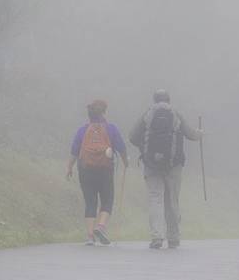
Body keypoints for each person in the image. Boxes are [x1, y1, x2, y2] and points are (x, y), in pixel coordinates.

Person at [129, 89, 202, 249]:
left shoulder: (147, 114)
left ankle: (157, 237)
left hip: (151, 164)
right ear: (169, 100)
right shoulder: (176, 114)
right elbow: (191, 135)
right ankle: (173, 238)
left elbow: (132, 136)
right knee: (172, 201)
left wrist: (145, 150)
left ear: (154, 100)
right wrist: (200, 133)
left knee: (155, 199)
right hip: (173, 165)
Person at [66, 99, 129, 246]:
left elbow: (74, 151)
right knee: (107, 199)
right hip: (105, 169)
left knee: (90, 201)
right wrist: (126, 162)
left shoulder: (82, 130)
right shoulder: (111, 128)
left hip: (85, 168)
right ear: (104, 112)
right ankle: (100, 227)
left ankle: (89, 236)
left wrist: (69, 167)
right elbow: (121, 147)